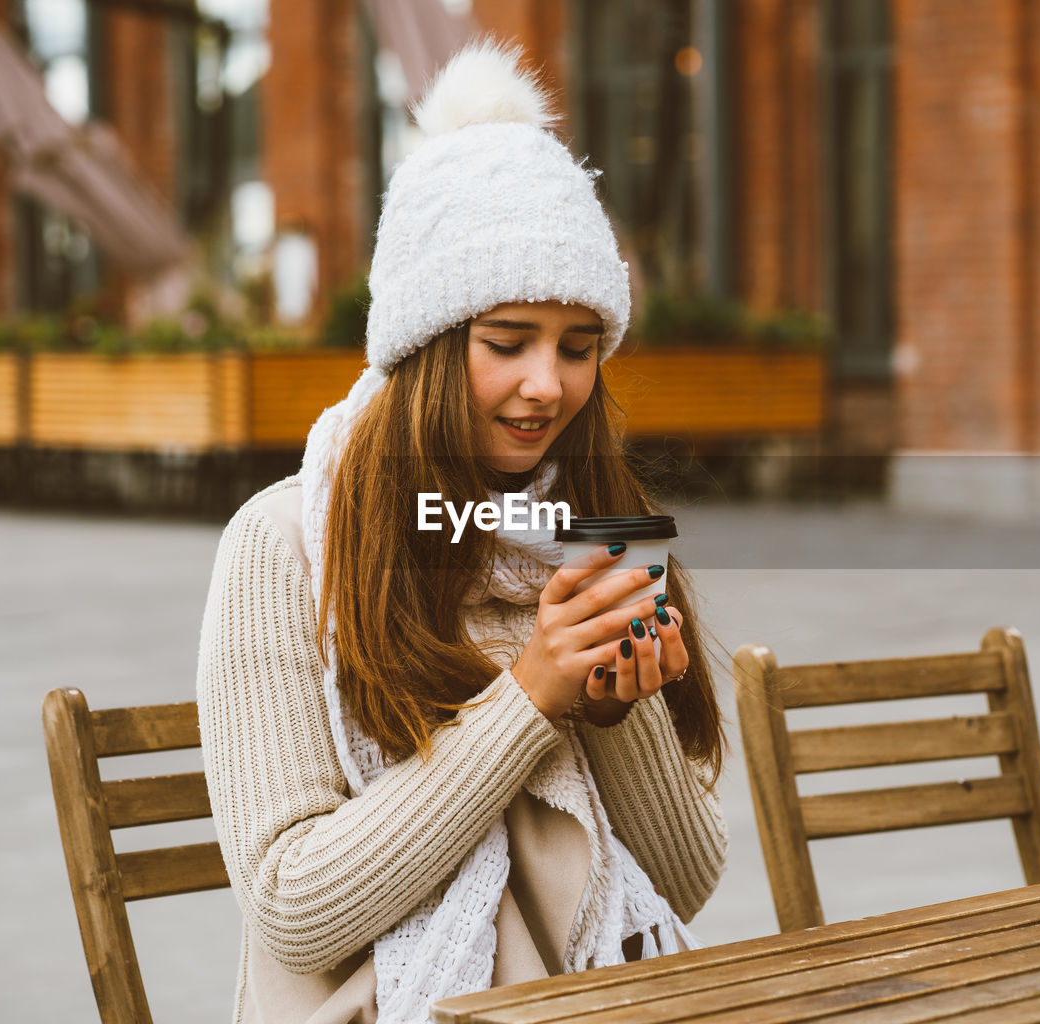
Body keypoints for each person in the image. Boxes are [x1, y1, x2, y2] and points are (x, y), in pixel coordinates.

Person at [197, 41, 727, 1024]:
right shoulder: (279, 545)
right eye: (506, 342)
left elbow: (688, 882)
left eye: (578, 348)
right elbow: (296, 911)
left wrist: (616, 712)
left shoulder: (591, 531)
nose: (547, 384)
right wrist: (532, 694)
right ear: (427, 348)